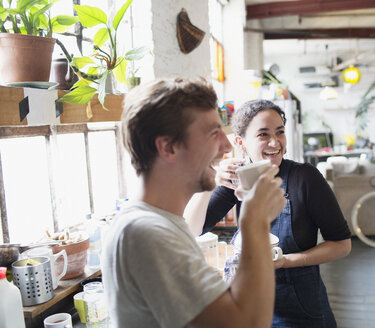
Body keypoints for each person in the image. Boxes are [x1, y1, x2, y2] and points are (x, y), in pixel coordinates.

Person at [101, 78, 286, 328]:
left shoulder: (161, 223)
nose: (227, 145)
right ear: (168, 147)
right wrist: (255, 222)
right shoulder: (145, 233)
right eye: (213, 133)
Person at [186, 99, 351, 327]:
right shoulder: (238, 177)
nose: (275, 142)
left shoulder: (305, 178)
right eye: (263, 134)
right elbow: (190, 229)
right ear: (240, 142)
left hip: (300, 303)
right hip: (251, 302)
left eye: (280, 132)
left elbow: (342, 244)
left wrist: (286, 262)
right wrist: (210, 181)